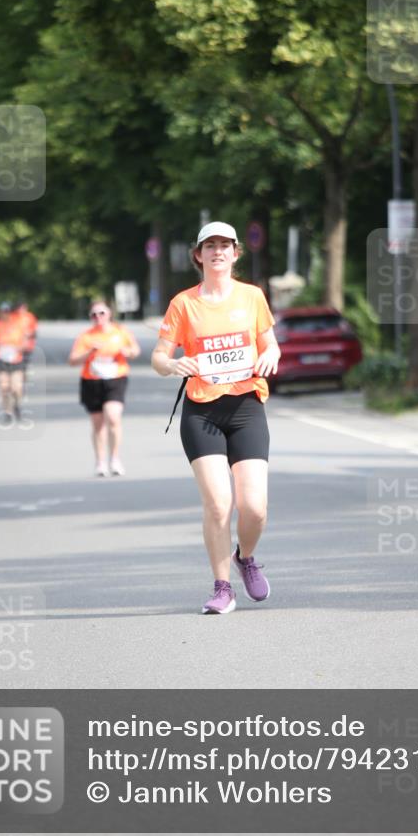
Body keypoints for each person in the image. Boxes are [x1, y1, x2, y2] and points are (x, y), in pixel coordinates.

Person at [151, 221, 280, 615]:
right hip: (201, 412)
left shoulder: (252, 297)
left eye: (226, 245)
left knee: (254, 507)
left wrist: (271, 354)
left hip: (245, 407)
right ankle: (223, 587)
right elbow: (158, 357)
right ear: (199, 254)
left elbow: (269, 342)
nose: (218, 251)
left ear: (236, 253)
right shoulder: (184, 304)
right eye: (211, 245)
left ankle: (247, 557)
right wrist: (174, 364)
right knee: (219, 504)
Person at [69, 299, 140, 477]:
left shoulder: (120, 332)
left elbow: (135, 351)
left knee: (113, 417)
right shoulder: (86, 336)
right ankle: (100, 461)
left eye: (102, 313)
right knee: (98, 424)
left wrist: (127, 352)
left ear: (109, 314)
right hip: (91, 381)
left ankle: (115, 459)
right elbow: (72, 361)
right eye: (94, 314)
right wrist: (90, 351)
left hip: (115, 378)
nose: (98, 317)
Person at [0, 302, 26, 420]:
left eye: (7, 312)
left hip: (16, 360)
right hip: (1, 360)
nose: (5, 314)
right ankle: (7, 411)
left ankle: (16, 404)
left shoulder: (18, 325)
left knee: (16, 388)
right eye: (3, 312)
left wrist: (17, 348)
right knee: (4, 387)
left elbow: (24, 344)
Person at [13, 300, 38, 371]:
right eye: (19, 308)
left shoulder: (30, 317)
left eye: (23, 308)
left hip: (27, 346)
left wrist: (29, 334)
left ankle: (22, 377)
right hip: (16, 346)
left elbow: (35, 332)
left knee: (24, 365)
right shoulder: (13, 317)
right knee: (16, 366)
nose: (21, 310)